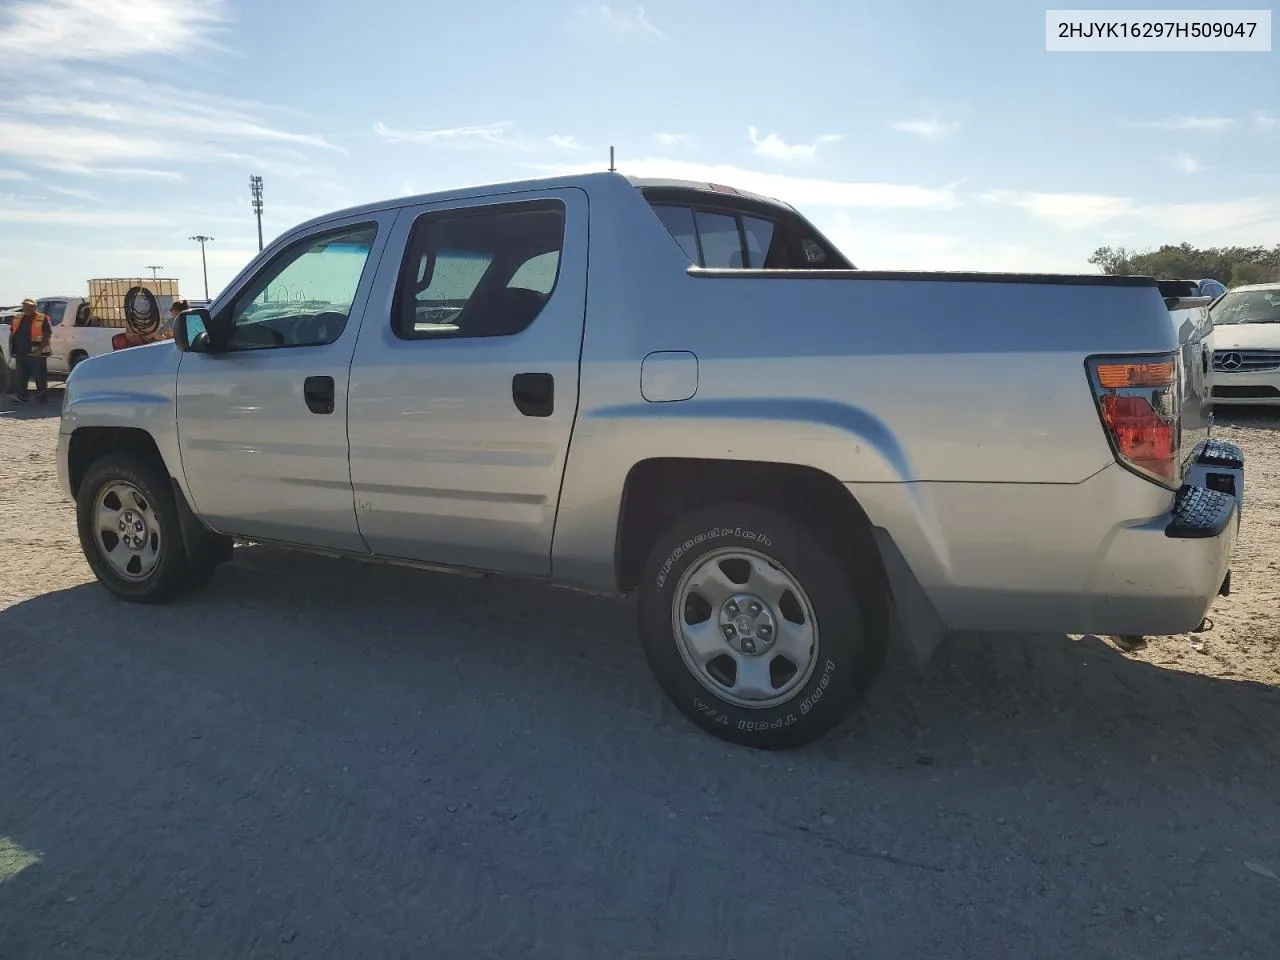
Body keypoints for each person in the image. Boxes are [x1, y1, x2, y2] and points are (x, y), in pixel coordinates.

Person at [8, 298, 52, 404]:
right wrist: (11, 349)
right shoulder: (18, 318)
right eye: (24, 306)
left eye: (29, 306)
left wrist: (39, 350)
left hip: (36, 353)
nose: (26, 308)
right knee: (21, 376)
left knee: (39, 376)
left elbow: (47, 335)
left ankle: (42, 397)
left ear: (35, 307)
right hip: (20, 352)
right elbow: (12, 333)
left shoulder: (42, 318)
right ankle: (22, 397)